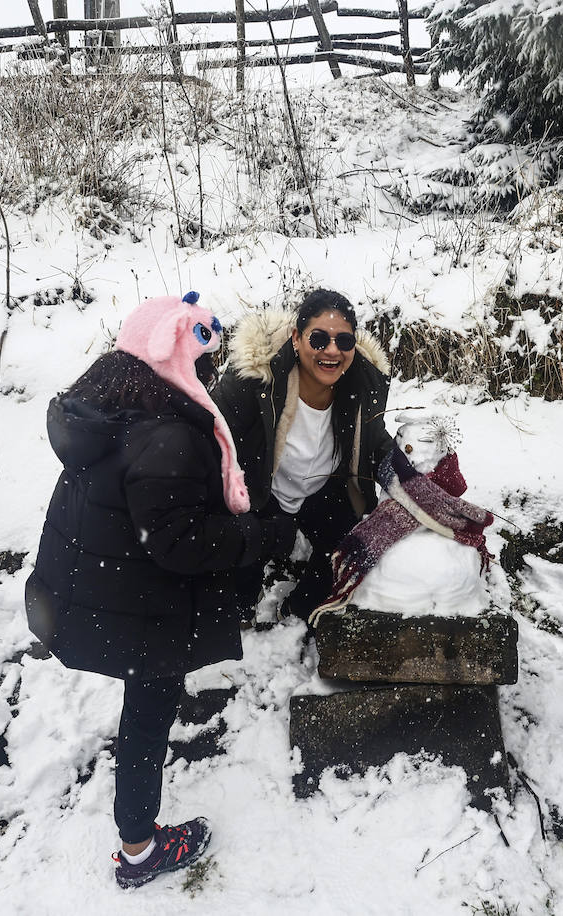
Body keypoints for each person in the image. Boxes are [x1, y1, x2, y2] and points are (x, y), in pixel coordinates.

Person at [25, 292, 296, 889]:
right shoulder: (168, 434)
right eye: (204, 362)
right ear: (175, 356)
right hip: (143, 609)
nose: (211, 374)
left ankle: (136, 832)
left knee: (144, 711)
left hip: (103, 590)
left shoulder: (108, 405)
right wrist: (262, 535)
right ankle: (140, 850)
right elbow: (179, 542)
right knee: (147, 718)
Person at [214, 289, 393, 623]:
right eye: (319, 338)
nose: (332, 350)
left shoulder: (360, 384)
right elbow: (213, 436)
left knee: (350, 551)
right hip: (259, 493)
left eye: (344, 341)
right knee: (239, 572)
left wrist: (406, 476)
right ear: (297, 338)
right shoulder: (258, 378)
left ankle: (296, 613)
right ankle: (242, 609)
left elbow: (375, 439)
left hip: (320, 492)